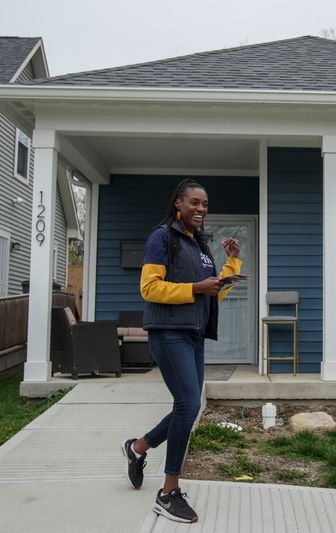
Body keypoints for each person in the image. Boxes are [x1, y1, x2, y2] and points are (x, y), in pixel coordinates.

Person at [121, 178, 241, 523]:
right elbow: (149, 288)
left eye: (205, 203)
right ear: (178, 203)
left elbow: (211, 293)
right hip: (169, 332)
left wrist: (231, 264)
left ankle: (138, 448)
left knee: (191, 405)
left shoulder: (201, 246)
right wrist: (194, 287)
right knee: (187, 404)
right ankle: (168, 492)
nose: (201, 208)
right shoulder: (162, 237)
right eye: (194, 202)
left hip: (194, 334)